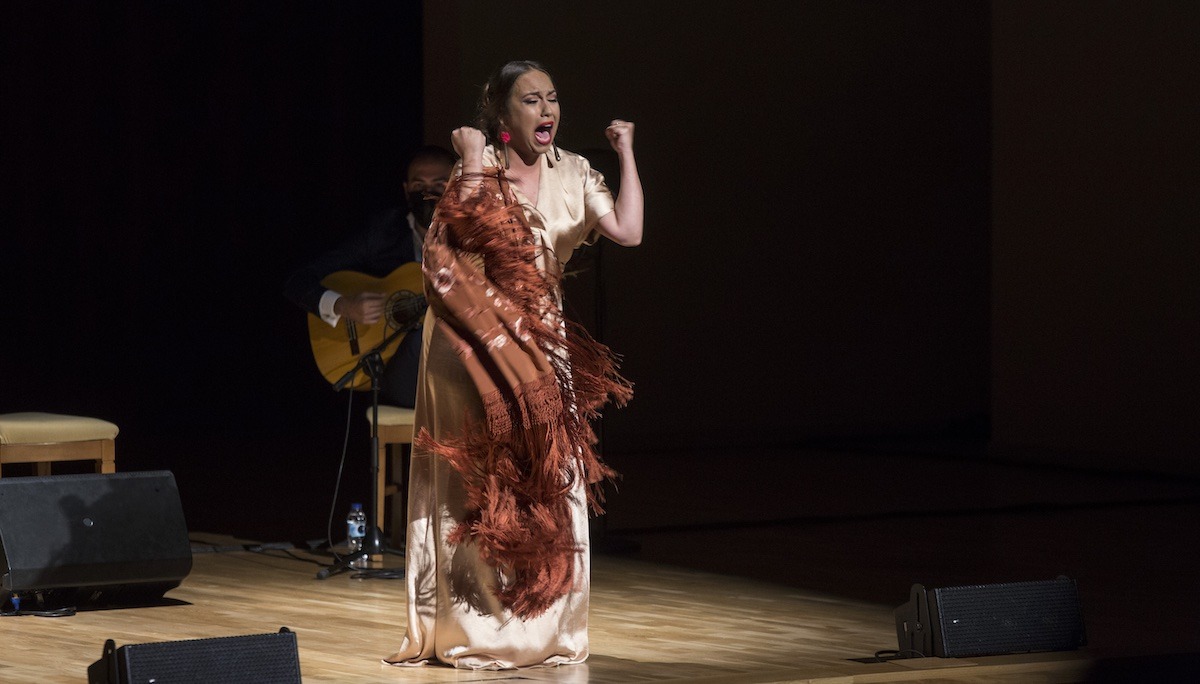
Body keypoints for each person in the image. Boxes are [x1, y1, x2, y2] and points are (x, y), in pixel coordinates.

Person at [384, 60, 643, 669]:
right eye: (531, 100)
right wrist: (472, 160)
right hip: (472, 341)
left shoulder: (575, 172)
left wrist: (627, 152)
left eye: (552, 98)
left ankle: (546, 627)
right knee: (480, 480)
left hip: (538, 339)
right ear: (501, 115)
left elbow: (628, 231)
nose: (547, 110)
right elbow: (457, 235)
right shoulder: (480, 170)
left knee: (550, 480)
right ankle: (477, 628)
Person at [283, 145, 456, 407]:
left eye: (438, 185)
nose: (427, 194)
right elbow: (297, 281)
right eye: (418, 185)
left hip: (458, 368)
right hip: (398, 372)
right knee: (422, 337)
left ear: (456, 187)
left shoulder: (474, 237)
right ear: (405, 189)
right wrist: (342, 305)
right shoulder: (382, 233)